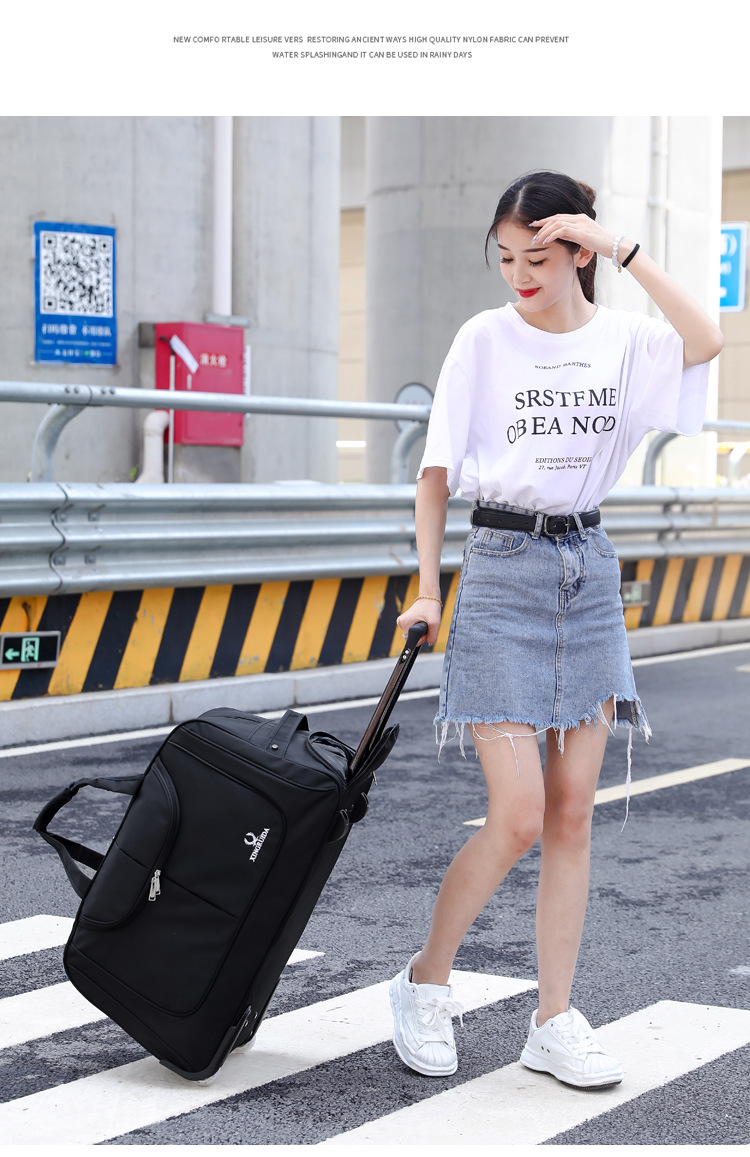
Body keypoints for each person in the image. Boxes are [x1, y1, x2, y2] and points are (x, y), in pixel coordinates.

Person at [389, 170, 724, 1089]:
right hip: (502, 574)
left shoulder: (624, 343)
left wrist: (622, 247)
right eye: (505, 257)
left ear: (578, 249)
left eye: (536, 255)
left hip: (589, 572)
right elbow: (435, 471)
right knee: (520, 815)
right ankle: (425, 980)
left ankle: (553, 1017)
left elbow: (708, 338)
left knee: (574, 812)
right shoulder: (483, 339)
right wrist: (428, 590)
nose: (518, 275)